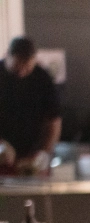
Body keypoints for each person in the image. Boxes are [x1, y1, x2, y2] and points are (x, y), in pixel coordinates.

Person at [0, 37, 61, 175]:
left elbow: (54, 120)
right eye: (16, 68)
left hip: (34, 158)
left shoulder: (43, 78)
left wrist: (45, 152)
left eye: (27, 68)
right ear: (7, 55)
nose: (21, 72)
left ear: (34, 60)